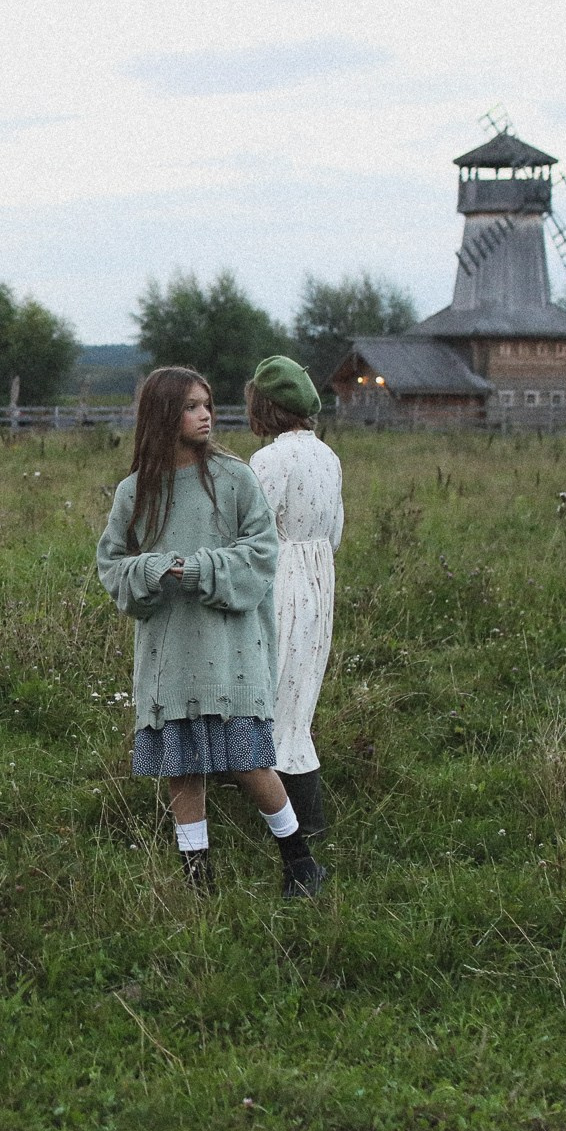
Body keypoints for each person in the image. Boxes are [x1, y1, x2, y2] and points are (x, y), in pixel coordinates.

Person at [96, 366, 312, 895]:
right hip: (169, 654)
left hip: (231, 649)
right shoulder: (135, 492)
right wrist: (151, 569)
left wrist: (196, 570)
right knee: (182, 771)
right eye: (192, 406)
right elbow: (111, 564)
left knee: (249, 762)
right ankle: (198, 879)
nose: (205, 414)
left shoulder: (235, 478)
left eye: (207, 404)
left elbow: (262, 553)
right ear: (163, 415)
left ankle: (300, 861)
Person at [246, 356, 340, 897]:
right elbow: (337, 530)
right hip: (320, 578)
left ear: (266, 407)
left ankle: (293, 830)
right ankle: (309, 825)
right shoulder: (329, 456)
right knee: (298, 698)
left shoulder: (270, 461)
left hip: (279, 579)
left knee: (270, 700)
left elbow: (252, 532)